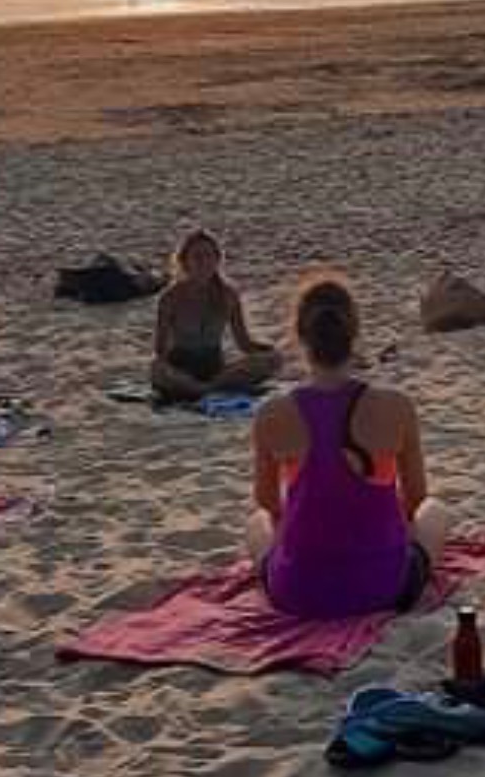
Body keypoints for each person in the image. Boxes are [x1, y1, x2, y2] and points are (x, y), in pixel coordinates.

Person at [248, 276, 451, 618]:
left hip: (297, 592)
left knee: (256, 521)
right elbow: (416, 499)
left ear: (300, 335)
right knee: (436, 510)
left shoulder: (271, 414)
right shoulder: (397, 405)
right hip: (383, 589)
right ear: (354, 333)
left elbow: (269, 505)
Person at [151, 228, 281, 401]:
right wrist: (166, 365)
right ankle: (202, 389)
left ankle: (205, 389)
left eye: (209, 256)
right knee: (157, 368)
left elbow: (244, 343)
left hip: (217, 372)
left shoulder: (228, 294)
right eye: (197, 257)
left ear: (217, 260)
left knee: (272, 359)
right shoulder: (170, 297)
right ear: (184, 261)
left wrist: (269, 351)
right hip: (182, 371)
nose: (204, 262)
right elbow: (160, 350)